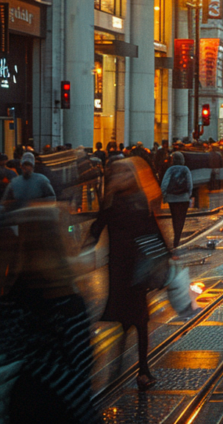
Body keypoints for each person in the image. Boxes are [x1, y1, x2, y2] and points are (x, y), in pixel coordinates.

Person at [87, 157, 173, 391]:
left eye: (124, 174)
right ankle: (122, 366)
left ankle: (143, 368)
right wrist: (83, 245)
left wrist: (164, 257)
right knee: (124, 319)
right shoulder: (110, 201)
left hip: (136, 269)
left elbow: (151, 229)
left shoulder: (138, 199)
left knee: (140, 319)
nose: (119, 178)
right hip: (118, 268)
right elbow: (97, 227)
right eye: (115, 175)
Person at [160, 151, 193, 247]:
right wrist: (188, 195)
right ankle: (177, 237)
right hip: (184, 198)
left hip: (172, 199)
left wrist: (165, 196)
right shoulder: (186, 169)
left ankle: (176, 236)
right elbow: (190, 184)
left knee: (175, 218)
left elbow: (164, 184)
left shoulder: (170, 170)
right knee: (181, 218)